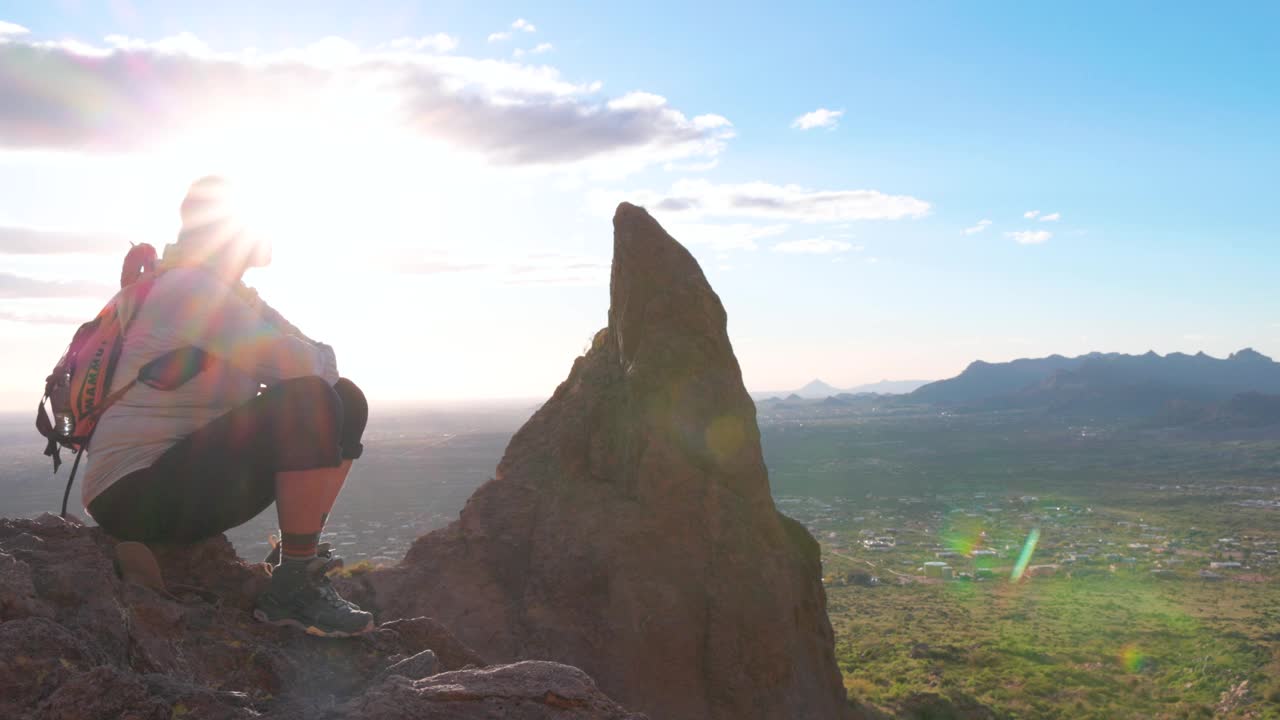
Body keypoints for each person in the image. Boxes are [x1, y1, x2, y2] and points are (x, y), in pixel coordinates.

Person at [84, 176, 374, 637]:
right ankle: (292, 590)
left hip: (184, 475)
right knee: (310, 400)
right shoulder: (188, 291)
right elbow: (302, 364)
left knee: (346, 400)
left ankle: (296, 560)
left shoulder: (232, 295)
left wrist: (311, 359)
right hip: (133, 494)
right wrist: (309, 359)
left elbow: (320, 366)